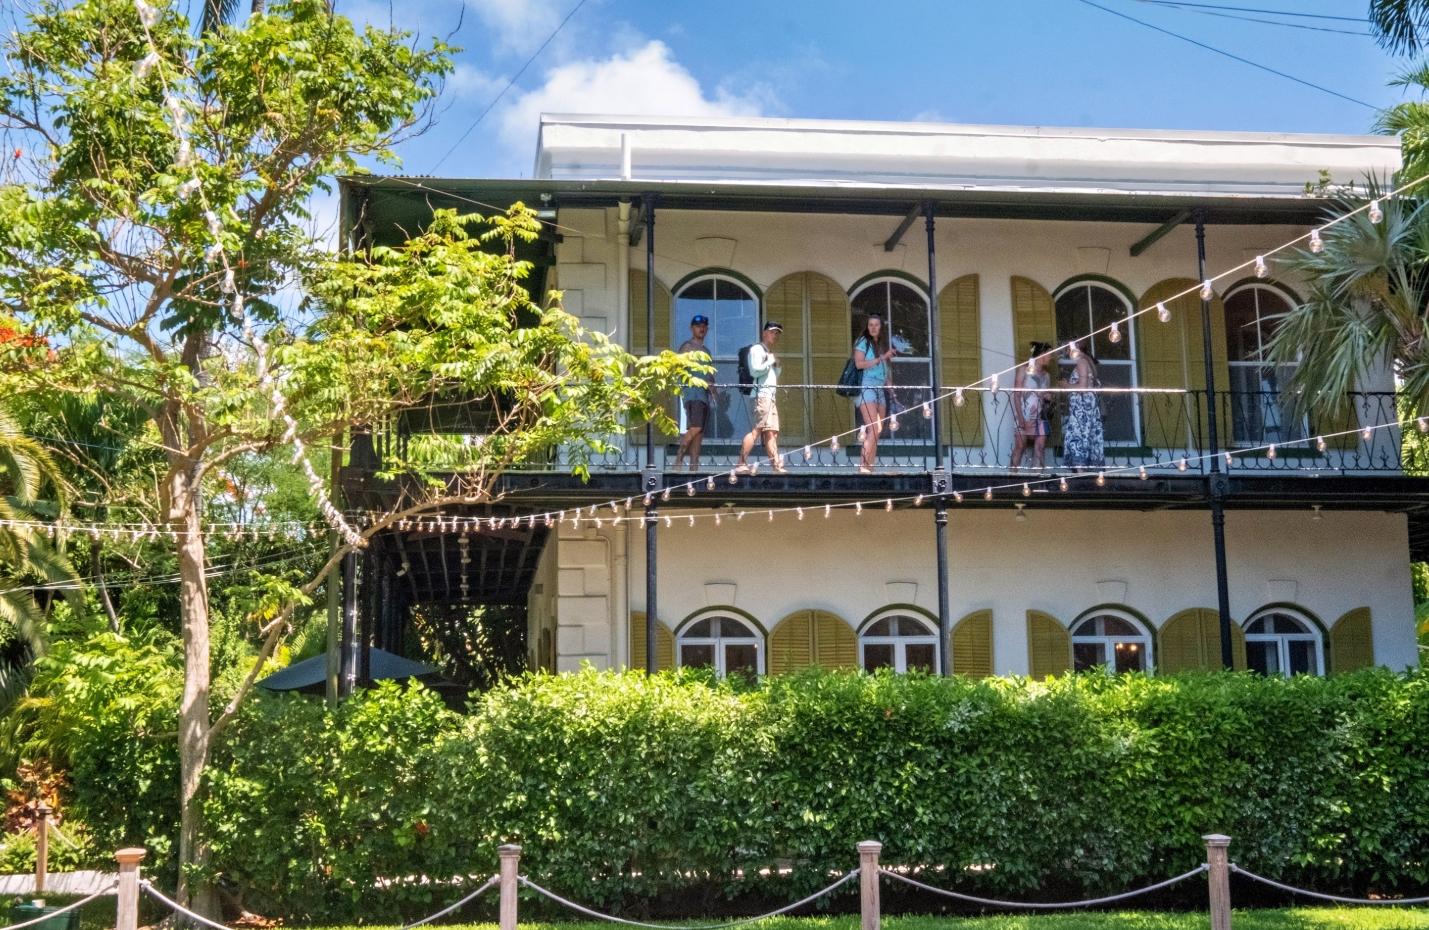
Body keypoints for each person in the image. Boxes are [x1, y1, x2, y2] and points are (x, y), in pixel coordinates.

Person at [736, 321, 787, 474]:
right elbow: (755, 371)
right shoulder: (757, 349)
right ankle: (741, 463)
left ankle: (776, 466)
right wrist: (770, 361)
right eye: (772, 332)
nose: (775, 335)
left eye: (777, 333)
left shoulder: (767, 352)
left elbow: (771, 376)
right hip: (761, 396)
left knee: (771, 432)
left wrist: (776, 366)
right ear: (764, 333)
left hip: (769, 396)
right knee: (758, 430)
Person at [852, 311, 896, 473]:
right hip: (866, 385)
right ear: (867, 327)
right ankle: (863, 466)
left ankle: (870, 466)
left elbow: (884, 369)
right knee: (873, 427)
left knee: (878, 430)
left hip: (880, 387)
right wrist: (881, 358)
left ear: (881, 327)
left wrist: (889, 385)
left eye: (876, 325)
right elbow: (859, 364)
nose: (873, 327)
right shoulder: (863, 342)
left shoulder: (882, 344)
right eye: (871, 325)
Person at [673, 314, 715, 471]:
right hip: (692, 393)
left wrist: (714, 391)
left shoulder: (707, 351)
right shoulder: (687, 347)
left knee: (699, 433)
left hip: (704, 396)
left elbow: (709, 375)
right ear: (692, 328)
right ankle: (679, 457)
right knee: (695, 427)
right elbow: (677, 368)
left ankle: (694, 467)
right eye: (698, 326)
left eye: (704, 326)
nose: (701, 328)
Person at [1061, 340, 1105, 468]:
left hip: (1082, 410)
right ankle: (1086, 470)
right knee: (1086, 436)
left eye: (1068, 349)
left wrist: (1065, 385)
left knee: (1079, 436)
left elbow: (1082, 387)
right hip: (1086, 408)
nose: (1066, 352)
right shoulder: (1087, 362)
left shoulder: (1081, 362)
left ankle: (1080, 471)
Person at [1011, 341, 1053, 469]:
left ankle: (1038, 479)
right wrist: (1021, 418)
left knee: (1040, 448)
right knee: (1020, 446)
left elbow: (1046, 400)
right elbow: (1016, 395)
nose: (1051, 357)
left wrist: (1049, 398)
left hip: (1040, 416)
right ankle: (1011, 477)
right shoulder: (1023, 369)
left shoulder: (1047, 376)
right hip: (1024, 414)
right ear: (1041, 354)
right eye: (1049, 354)